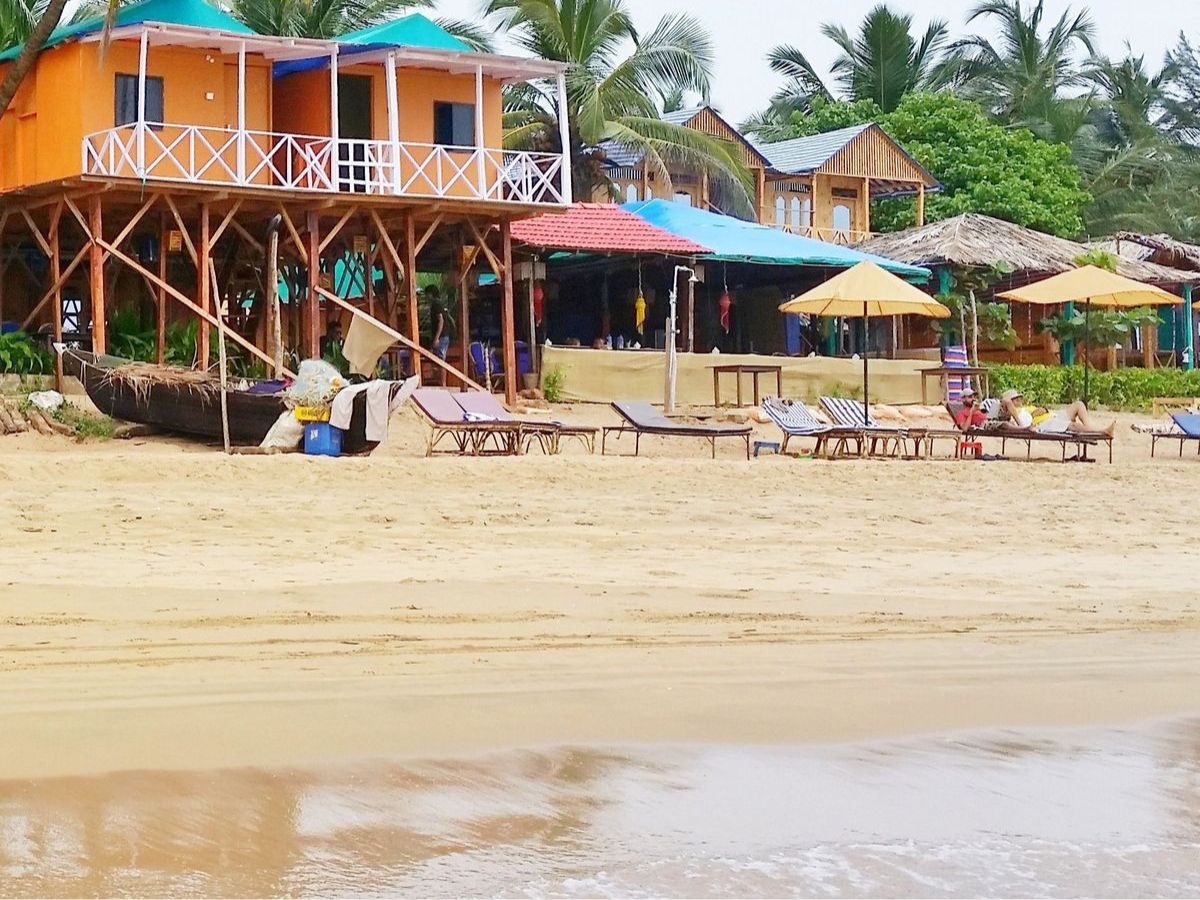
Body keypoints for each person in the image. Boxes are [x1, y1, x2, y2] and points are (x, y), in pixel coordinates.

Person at [1000, 389, 1116, 437]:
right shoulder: (1016, 413)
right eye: (1016, 399)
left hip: (1052, 416)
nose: (1020, 401)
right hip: (1043, 424)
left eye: (1020, 398)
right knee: (1072, 426)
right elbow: (1005, 402)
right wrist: (1035, 414)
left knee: (1079, 405)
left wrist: (1040, 411)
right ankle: (1102, 431)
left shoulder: (1025, 408)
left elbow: (1042, 410)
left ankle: (1089, 429)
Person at [427, 285, 454, 386]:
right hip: (443, 336)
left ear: (430, 294)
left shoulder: (436, 304)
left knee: (440, 360)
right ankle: (440, 382)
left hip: (442, 336)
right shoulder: (438, 304)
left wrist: (436, 338)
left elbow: (441, 320)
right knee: (437, 359)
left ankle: (443, 384)